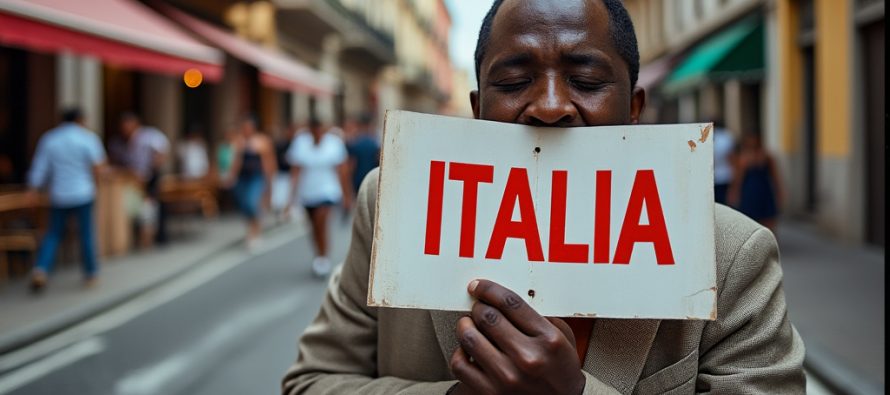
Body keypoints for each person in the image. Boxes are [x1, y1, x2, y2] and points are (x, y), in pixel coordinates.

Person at [282, 0, 805, 394]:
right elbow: (312, 382)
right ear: (477, 107)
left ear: (634, 108)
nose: (551, 106)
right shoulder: (393, 202)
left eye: (584, 79)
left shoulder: (730, 253)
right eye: (513, 81)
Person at [27, 108, 106, 291]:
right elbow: (98, 167)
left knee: (53, 234)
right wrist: (97, 186)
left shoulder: (50, 139)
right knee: (85, 233)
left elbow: (40, 167)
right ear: (80, 119)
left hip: (59, 194)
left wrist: (32, 189)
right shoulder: (87, 138)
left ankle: (41, 269)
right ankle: (91, 273)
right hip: (83, 193)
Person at [286, 118, 351, 277]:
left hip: (328, 191)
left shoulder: (334, 143)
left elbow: (342, 171)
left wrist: (346, 195)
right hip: (307, 193)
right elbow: (295, 171)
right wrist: (290, 199)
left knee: (321, 221)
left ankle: (323, 257)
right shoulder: (300, 143)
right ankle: (319, 254)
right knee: (313, 227)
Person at [118, 112, 171, 247]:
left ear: (134, 123)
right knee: (145, 208)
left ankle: (159, 237)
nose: (124, 129)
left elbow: (161, 150)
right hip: (138, 178)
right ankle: (145, 238)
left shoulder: (148, 135)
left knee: (153, 206)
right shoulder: (130, 140)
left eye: (126, 125)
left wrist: (153, 169)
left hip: (150, 176)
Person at [225, 115, 276, 249]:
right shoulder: (239, 141)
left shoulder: (262, 141)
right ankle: (251, 229)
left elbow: (268, 162)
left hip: (256, 176)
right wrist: (231, 176)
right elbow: (236, 161)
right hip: (243, 178)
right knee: (245, 206)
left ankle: (256, 232)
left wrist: (269, 182)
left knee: (252, 202)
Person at [728, 132, 784, 233]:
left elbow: (775, 177)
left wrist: (779, 193)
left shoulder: (766, 156)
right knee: (749, 222)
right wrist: (734, 192)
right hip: (750, 193)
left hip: (764, 192)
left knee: (768, 221)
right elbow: (738, 178)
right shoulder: (743, 158)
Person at [345, 113, 380, 197]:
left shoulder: (354, 144)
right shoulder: (375, 143)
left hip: (358, 181)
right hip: (372, 180)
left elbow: (351, 167)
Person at [712, 118, 735, 205]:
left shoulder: (725, 138)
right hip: (724, 176)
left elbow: (732, 159)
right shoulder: (726, 137)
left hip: (723, 177)